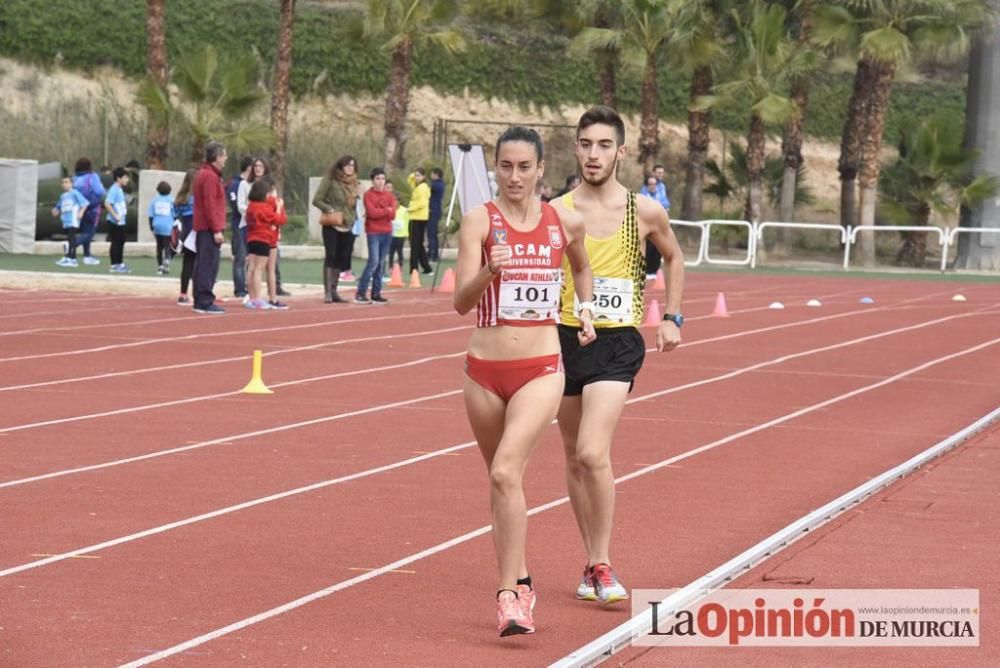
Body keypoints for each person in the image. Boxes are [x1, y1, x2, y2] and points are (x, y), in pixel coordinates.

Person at [453, 126, 597, 637]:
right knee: (501, 481)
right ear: (497, 168)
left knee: (504, 473)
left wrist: (583, 309)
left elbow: (582, 268)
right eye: (506, 166)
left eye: (523, 167)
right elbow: (461, 302)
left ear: (540, 170)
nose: (514, 176)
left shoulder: (565, 221)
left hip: (540, 368)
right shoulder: (479, 221)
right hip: (483, 372)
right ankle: (523, 578)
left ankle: (508, 597)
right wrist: (489, 271)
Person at [555, 106, 684, 606]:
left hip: (617, 342)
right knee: (571, 457)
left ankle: (604, 562)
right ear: (576, 148)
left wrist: (672, 317)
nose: (593, 154)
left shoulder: (644, 211)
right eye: (586, 144)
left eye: (603, 145)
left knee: (591, 451)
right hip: (564, 337)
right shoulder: (559, 210)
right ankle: (590, 560)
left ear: (620, 152)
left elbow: (673, 256)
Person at [312, 155, 359, 303]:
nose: (350, 168)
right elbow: (317, 199)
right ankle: (327, 292)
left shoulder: (354, 183)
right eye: (347, 165)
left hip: (348, 222)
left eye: (352, 166)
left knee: (342, 256)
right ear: (340, 167)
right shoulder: (330, 180)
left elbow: (353, 204)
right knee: (331, 255)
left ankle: (334, 290)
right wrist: (329, 209)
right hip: (332, 222)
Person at [192, 141, 228, 314]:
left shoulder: (204, 174)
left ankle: (200, 298)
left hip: (203, 226)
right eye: (224, 155)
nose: (226, 158)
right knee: (208, 264)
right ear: (217, 157)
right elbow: (210, 205)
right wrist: (216, 230)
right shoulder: (210, 177)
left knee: (202, 263)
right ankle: (205, 299)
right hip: (208, 227)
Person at [245, 178, 288, 310]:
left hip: (251, 238)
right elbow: (280, 219)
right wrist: (279, 207)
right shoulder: (263, 207)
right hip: (263, 239)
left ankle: (252, 298)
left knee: (251, 268)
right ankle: (258, 298)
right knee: (259, 268)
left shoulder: (251, 206)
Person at [357, 167, 396, 304]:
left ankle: (376, 293)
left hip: (387, 232)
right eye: (378, 179)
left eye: (383, 179)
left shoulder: (389, 196)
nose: (380, 181)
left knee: (381, 263)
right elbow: (372, 213)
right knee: (373, 262)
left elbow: (393, 214)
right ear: (373, 181)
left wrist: (383, 211)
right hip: (373, 232)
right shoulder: (368, 195)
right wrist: (386, 210)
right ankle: (361, 292)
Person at [228, 156, 253, 300]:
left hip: (251, 225)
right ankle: (239, 288)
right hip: (240, 224)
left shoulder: (252, 184)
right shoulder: (236, 184)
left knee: (250, 257)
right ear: (249, 168)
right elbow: (235, 206)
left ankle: (248, 285)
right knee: (240, 257)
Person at [72, 158, 105, 265]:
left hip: (78, 208)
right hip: (92, 208)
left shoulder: (75, 178)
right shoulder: (92, 176)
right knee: (90, 233)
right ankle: (72, 245)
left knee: (84, 231)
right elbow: (99, 191)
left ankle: (87, 255)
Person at [642, 164, 671, 279]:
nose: (661, 175)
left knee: (659, 248)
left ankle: (654, 270)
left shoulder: (661, 188)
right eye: (658, 173)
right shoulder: (644, 191)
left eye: (662, 173)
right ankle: (646, 270)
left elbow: (666, 204)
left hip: (660, 224)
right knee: (648, 247)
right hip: (648, 224)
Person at [53, 176, 88, 267]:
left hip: (73, 219)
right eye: (63, 182)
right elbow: (59, 206)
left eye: (67, 182)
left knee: (71, 238)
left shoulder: (75, 193)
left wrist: (81, 212)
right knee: (69, 239)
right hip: (66, 221)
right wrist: (56, 210)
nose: (64, 184)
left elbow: (85, 203)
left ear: (71, 183)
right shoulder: (63, 196)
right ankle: (72, 258)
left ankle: (70, 258)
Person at [174, 169, 197, 304]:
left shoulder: (180, 197)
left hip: (184, 232)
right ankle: (196, 293)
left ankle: (183, 294)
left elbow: (175, 215)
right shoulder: (197, 198)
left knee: (187, 263)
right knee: (198, 264)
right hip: (195, 231)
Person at [407, 167, 433, 275]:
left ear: (423, 177)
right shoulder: (419, 186)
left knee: (414, 244)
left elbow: (422, 203)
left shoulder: (422, 188)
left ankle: (414, 269)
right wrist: (414, 174)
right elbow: (409, 180)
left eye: (419, 175)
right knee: (418, 244)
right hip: (419, 218)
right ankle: (426, 267)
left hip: (417, 218)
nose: (416, 177)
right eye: (416, 175)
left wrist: (410, 208)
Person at [104, 167, 130, 273]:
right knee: (116, 242)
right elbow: (107, 203)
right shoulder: (114, 189)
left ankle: (119, 263)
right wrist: (115, 215)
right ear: (118, 178)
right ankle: (114, 264)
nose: (127, 180)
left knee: (121, 241)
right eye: (125, 177)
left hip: (121, 222)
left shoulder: (119, 189)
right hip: (115, 222)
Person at [148, 181, 176, 274]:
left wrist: (151, 227)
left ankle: (159, 266)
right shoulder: (171, 200)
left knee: (159, 246)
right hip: (168, 226)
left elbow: (151, 215)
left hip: (157, 225)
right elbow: (175, 214)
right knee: (167, 245)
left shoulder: (154, 200)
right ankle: (167, 260)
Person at [388, 182, 408, 271]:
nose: (395, 202)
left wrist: (407, 233)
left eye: (396, 200)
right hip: (392, 234)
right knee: (391, 251)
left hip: (401, 235)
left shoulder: (404, 210)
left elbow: (407, 222)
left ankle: (400, 266)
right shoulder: (390, 209)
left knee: (399, 251)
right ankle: (390, 266)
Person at [427, 167, 445, 261]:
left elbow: (427, 189)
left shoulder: (436, 185)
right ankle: (433, 253)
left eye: (432, 174)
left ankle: (432, 254)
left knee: (431, 234)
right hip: (436, 211)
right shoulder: (441, 184)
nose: (431, 176)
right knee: (433, 234)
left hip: (433, 211)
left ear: (436, 174)